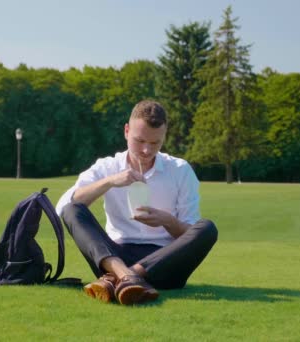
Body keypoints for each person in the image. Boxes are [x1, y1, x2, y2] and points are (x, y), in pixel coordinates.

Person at [56, 100, 217, 305]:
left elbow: (190, 235)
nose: (146, 150)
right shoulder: (108, 166)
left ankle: (121, 278)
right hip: (114, 256)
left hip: (164, 262)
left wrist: (167, 221)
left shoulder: (180, 170)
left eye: (155, 143)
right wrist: (110, 181)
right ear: (126, 131)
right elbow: (63, 208)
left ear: (164, 137)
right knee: (73, 208)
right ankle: (123, 274)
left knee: (208, 228)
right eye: (139, 141)